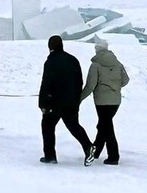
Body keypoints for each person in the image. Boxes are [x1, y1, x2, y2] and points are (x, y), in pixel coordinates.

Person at [39, 35, 94, 165]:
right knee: (73, 125)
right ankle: (88, 146)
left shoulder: (51, 61)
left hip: (55, 102)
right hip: (71, 101)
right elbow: (79, 81)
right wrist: (76, 98)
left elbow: (46, 83)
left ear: (50, 47)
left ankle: (50, 156)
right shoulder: (73, 60)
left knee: (47, 125)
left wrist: (43, 103)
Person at [80, 38, 130, 165]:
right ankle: (96, 151)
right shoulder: (117, 63)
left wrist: (79, 98)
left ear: (97, 49)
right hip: (116, 100)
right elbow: (125, 80)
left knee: (107, 127)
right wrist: (114, 87)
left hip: (102, 101)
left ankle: (113, 156)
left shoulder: (95, 65)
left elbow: (90, 86)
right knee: (103, 125)